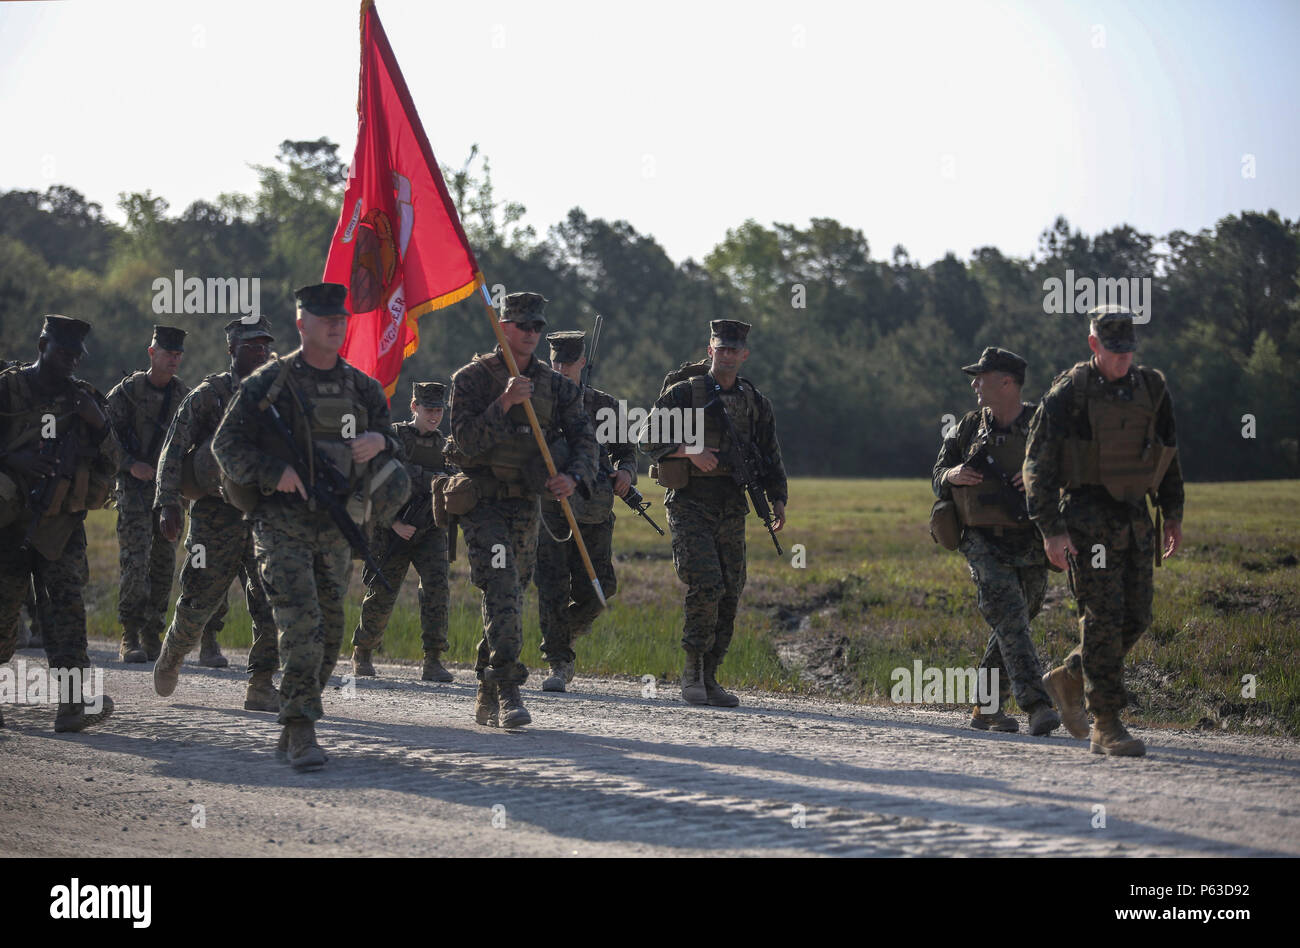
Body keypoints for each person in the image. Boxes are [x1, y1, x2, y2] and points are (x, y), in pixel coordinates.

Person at [212, 283, 405, 770]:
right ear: (302, 325)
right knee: (300, 625)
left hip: (337, 527)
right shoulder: (269, 383)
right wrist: (274, 472)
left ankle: (294, 714)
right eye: (324, 320)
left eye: (340, 320)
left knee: (332, 632)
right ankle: (301, 729)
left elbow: (395, 444)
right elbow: (226, 446)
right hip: (281, 527)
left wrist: (378, 441)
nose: (334, 327)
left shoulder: (361, 387)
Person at [1024, 306, 1184, 757]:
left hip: (1134, 522)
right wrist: (1050, 531)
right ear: (1094, 345)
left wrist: (1172, 511)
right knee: (1102, 618)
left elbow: (1167, 453)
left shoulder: (1151, 388)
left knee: (1137, 617)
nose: (1122, 359)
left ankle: (1070, 676)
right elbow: (1037, 466)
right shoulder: (1068, 395)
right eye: (1114, 351)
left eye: (1128, 351)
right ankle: (1105, 723)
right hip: (1085, 521)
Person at [448, 291, 597, 728]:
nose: (532, 334)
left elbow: (586, 439)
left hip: (526, 506)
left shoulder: (557, 386)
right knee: (500, 587)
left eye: (538, 327)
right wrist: (506, 402)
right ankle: (511, 689)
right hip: (483, 502)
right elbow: (466, 442)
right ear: (503, 327)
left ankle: (486, 686)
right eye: (523, 326)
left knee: (510, 596)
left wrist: (572, 476)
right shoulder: (472, 380)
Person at [641, 319, 787, 708]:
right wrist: (690, 450)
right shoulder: (684, 394)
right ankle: (691, 672)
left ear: (744, 355)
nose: (726, 355)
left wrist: (778, 498)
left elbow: (770, 453)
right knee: (705, 583)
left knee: (731, 590)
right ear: (710, 350)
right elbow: (646, 438)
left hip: (731, 505)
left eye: (733, 350)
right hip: (690, 502)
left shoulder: (755, 402)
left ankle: (711, 676)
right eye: (719, 349)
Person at [153, 317, 281, 711]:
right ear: (232, 350)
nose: (259, 352)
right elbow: (174, 449)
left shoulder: (278, 395)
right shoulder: (210, 394)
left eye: (264, 345)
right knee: (199, 598)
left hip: (263, 518)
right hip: (214, 518)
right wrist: (168, 503)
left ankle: (260, 684)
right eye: (250, 346)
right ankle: (173, 653)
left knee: (273, 602)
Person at [932, 346, 1061, 735]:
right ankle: (1037, 704)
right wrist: (952, 474)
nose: (974, 384)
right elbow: (938, 471)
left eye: (981, 377)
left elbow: (1074, 472)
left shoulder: (1043, 424)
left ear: (1007, 382)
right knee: (1009, 615)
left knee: (1018, 618)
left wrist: (1041, 477)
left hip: (1031, 539)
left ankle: (985, 709)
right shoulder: (969, 426)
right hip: (981, 541)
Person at [0, 315, 120, 731]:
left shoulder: (84, 398)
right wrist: (13, 458)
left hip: (61, 525)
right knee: (3, 613)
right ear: (42, 347)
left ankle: (72, 705)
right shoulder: (8, 390)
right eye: (63, 353)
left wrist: (98, 423)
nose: (71, 362)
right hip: (9, 521)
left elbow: (115, 460)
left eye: (76, 356)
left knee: (67, 610)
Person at [534, 329, 636, 692]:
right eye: (555, 361)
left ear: (582, 363)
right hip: (550, 511)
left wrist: (625, 472)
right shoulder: (536, 403)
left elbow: (627, 451)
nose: (561, 368)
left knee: (602, 587)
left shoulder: (603, 406)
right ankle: (559, 662)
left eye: (568, 362)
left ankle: (564, 630)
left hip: (594, 510)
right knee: (552, 587)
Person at [350, 381, 457, 683]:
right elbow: (377, 480)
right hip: (392, 529)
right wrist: (393, 523)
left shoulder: (445, 447)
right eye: (428, 410)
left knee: (437, 590)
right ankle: (364, 650)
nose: (434, 416)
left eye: (439, 410)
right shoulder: (394, 439)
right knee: (382, 592)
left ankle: (433, 659)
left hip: (431, 530)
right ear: (414, 407)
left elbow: (452, 480)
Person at [106, 325, 198, 663]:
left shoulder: (184, 397)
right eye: (168, 353)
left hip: (169, 494)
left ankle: (152, 633)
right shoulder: (127, 393)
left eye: (178, 355)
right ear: (151, 353)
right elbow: (104, 436)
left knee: (163, 565)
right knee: (135, 563)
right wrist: (130, 464)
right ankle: (129, 634)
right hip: (133, 492)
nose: (174, 359)